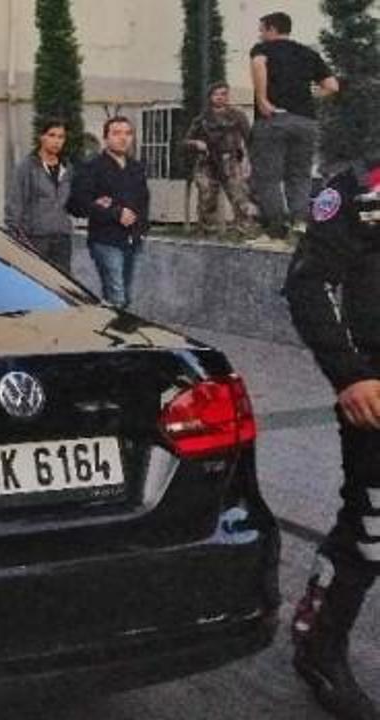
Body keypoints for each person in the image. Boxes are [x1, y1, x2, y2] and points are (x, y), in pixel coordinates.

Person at [284, 157, 380, 720]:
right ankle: (321, 647)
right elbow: (309, 282)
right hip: (373, 382)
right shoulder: (357, 188)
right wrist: (351, 374)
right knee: (372, 527)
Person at [250, 11, 339, 239]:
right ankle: (300, 224)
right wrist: (307, 98)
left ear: (271, 29)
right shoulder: (308, 53)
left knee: (268, 176)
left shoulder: (263, 49)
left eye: (262, 29)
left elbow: (259, 65)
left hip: (274, 119)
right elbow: (332, 86)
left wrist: (262, 99)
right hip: (306, 122)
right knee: (299, 175)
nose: (260, 34)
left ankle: (276, 231)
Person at [67, 116, 150, 309]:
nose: (123, 138)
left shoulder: (136, 168)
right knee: (117, 295)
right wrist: (114, 212)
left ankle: (111, 332)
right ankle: (119, 335)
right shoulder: (92, 167)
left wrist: (142, 229)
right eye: (117, 133)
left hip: (133, 240)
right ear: (106, 138)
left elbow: (143, 201)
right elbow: (77, 204)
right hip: (106, 241)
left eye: (128, 133)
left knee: (125, 296)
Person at [184, 82, 259, 236]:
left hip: (231, 161)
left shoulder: (238, 116)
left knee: (240, 198)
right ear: (210, 97)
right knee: (207, 198)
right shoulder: (202, 119)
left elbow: (250, 140)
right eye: (216, 94)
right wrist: (196, 143)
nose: (220, 97)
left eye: (224, 94)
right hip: (207, 162)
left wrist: (249, 163)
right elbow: (185, 142)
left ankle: (245, 232)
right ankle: (207, 233)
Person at [4, 119, 74, 271]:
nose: (56, 141)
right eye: (52, 135)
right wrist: (15, 235)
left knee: (62, 284)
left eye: (61, 137)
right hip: (35, 237)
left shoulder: (67, 167)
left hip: (61, 237)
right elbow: (15, 201)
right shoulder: (27, 167)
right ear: (42, 137)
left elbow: (71, 201)